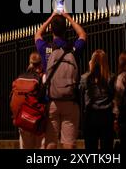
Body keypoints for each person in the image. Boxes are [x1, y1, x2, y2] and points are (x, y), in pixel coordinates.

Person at [35, 11, 86, 149]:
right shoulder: (73, 49)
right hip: (70, 100)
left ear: (51, 29)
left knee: (50, 142)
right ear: (66, 28)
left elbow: (37, 35)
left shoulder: (46, 49)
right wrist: (69, 17)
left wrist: (51, 17)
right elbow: (82, 35)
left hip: (51, 101)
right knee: (69, 143)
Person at [79, 49, 115, 150]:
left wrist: (90, 70)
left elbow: (80, 93)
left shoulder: (85, 78)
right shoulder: (111, 77)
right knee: (107, 147)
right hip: (106, 115)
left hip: (91, 115)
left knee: (90, 147)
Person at [17, 52, 45, 149]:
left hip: (24, 119)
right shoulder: (43, 77)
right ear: (41, 63)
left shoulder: (21, 77)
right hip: (38, 120)